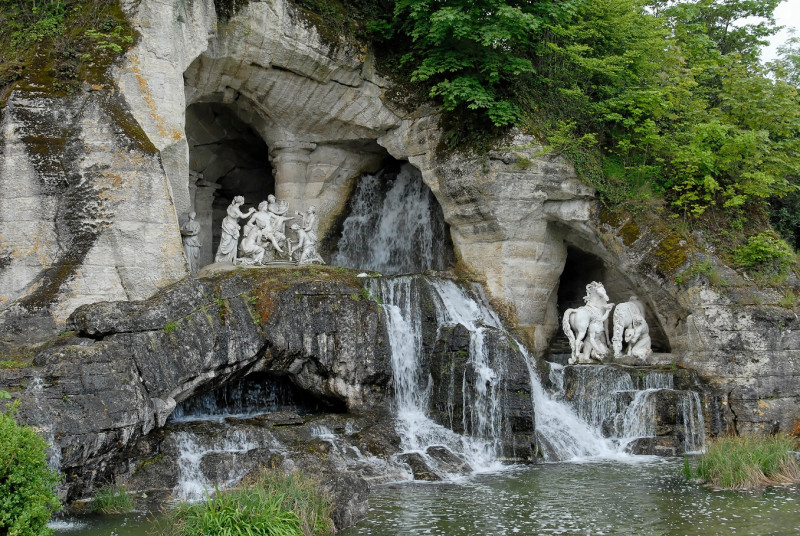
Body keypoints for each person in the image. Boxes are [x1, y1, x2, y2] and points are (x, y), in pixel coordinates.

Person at [215, 196, 255, 264]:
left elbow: (239, 216)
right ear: (241, 201)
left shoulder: (233, 207)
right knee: (226, 242)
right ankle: (219, 257)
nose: (244, 202)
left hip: (233, 227)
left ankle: (230, 259)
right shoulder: (234, 208)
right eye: (243, 200)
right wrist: (250, 212)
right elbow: (242, 216)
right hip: (229, 227)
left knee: (233, 243)